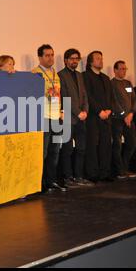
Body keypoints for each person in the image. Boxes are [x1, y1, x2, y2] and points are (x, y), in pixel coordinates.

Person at [32, 44, 66, 192]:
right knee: (43, 152)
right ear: (40, 57)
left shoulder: (55, 74)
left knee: (55, 150)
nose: (50, 58)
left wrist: (62, 110)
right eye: (47, 55)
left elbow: (60, 94)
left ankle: (52, 181)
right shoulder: (35, 73)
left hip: (56, 117)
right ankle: (41, 183)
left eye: (52, 55)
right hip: (44, 117)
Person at [58, 49, 92, 187]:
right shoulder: (60, 75)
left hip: (81, 118)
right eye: (72, 58)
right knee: (67, 149)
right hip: (68, 119)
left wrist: (85, 111)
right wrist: (78, 112)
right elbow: (65, 97)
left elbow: (84, 95)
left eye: (77, 58)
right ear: (65, 60)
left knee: (81, 148)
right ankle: (68, 178)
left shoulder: (79, 75)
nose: (75, 61)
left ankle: (79, 176)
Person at [83, 51, 114, 182]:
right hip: (93, 117)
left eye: (101, 58)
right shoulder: (85, 76)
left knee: (106, 145)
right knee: (92, 145)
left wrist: (109, 110)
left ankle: (104, 173)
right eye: (97, 58)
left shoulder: (106, 78)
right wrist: (99, 111)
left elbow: (111, 97)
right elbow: (88, 96)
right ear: (90, 62)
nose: (101, 61)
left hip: (106, 116)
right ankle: (93, 173)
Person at [111, 61, 136, 180]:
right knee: (117, 145)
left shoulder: (128, 83)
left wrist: (131, 113)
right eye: (121, 69)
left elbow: (134, 99)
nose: (124, 71)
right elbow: (113, 101)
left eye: (125, 69)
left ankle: (125, 167)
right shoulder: (111, 83)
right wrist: (123, 115)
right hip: (117, 119)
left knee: (132, 143)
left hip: (129, 119)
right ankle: (119, 171)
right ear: (115, 70)